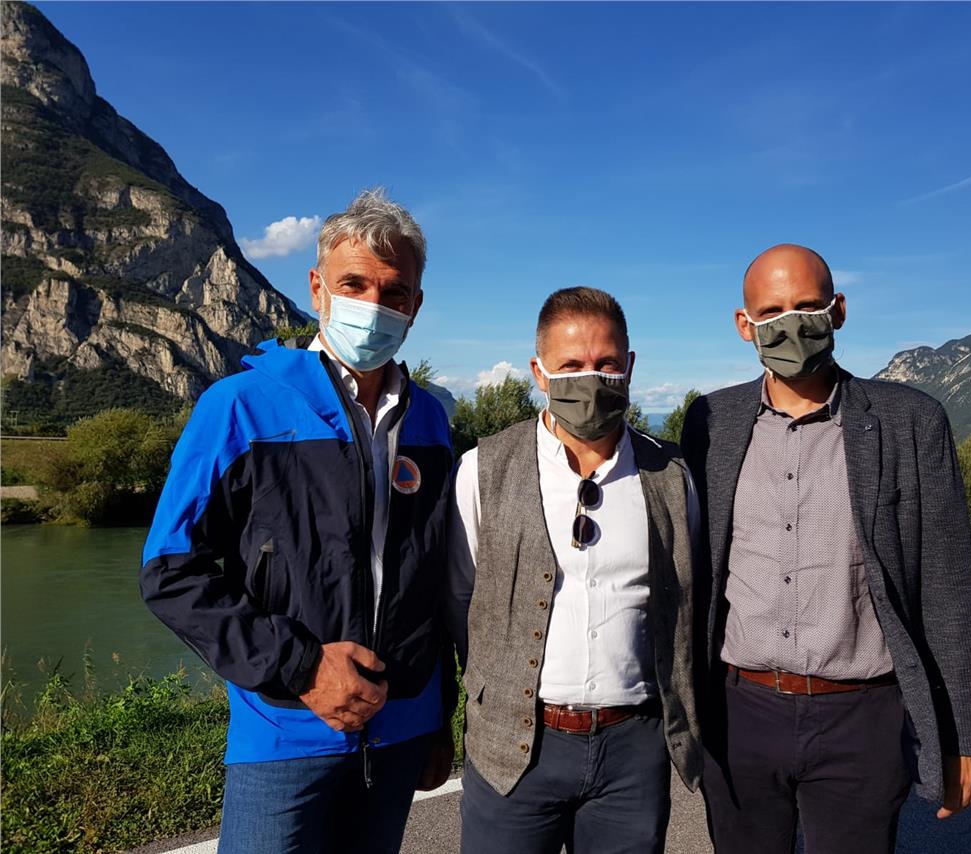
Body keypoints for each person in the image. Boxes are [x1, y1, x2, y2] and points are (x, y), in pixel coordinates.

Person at [140, 188, 455, 854]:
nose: (374, 305)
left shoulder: (431, 419)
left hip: (404, 729)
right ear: (317, 288)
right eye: (354, 284)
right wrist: (303, 666)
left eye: (395, 292)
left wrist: (439, 714)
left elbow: (440, 579)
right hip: (284, 731)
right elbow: (169, 571)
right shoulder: (240, 407)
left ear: (416, 306)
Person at [680, 244, 971, 854]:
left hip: (862, 718)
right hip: (738, 713)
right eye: (771, 312)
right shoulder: (710, 420)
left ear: (838, 310)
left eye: (807, 306)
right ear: (744, 324)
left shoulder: (910, 421)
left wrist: (964, 738)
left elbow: (947, 587)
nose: (789, 325)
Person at [445, 287, 702, 854]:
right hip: (514, 745)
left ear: (629, 366)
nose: (591, 380)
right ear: (539, 371)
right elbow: (462, 598)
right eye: (570, 367)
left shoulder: (671, 475)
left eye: (606, 364)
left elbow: (685, 597)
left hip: (633, 750)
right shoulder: (482, 469)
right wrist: (492, 691)